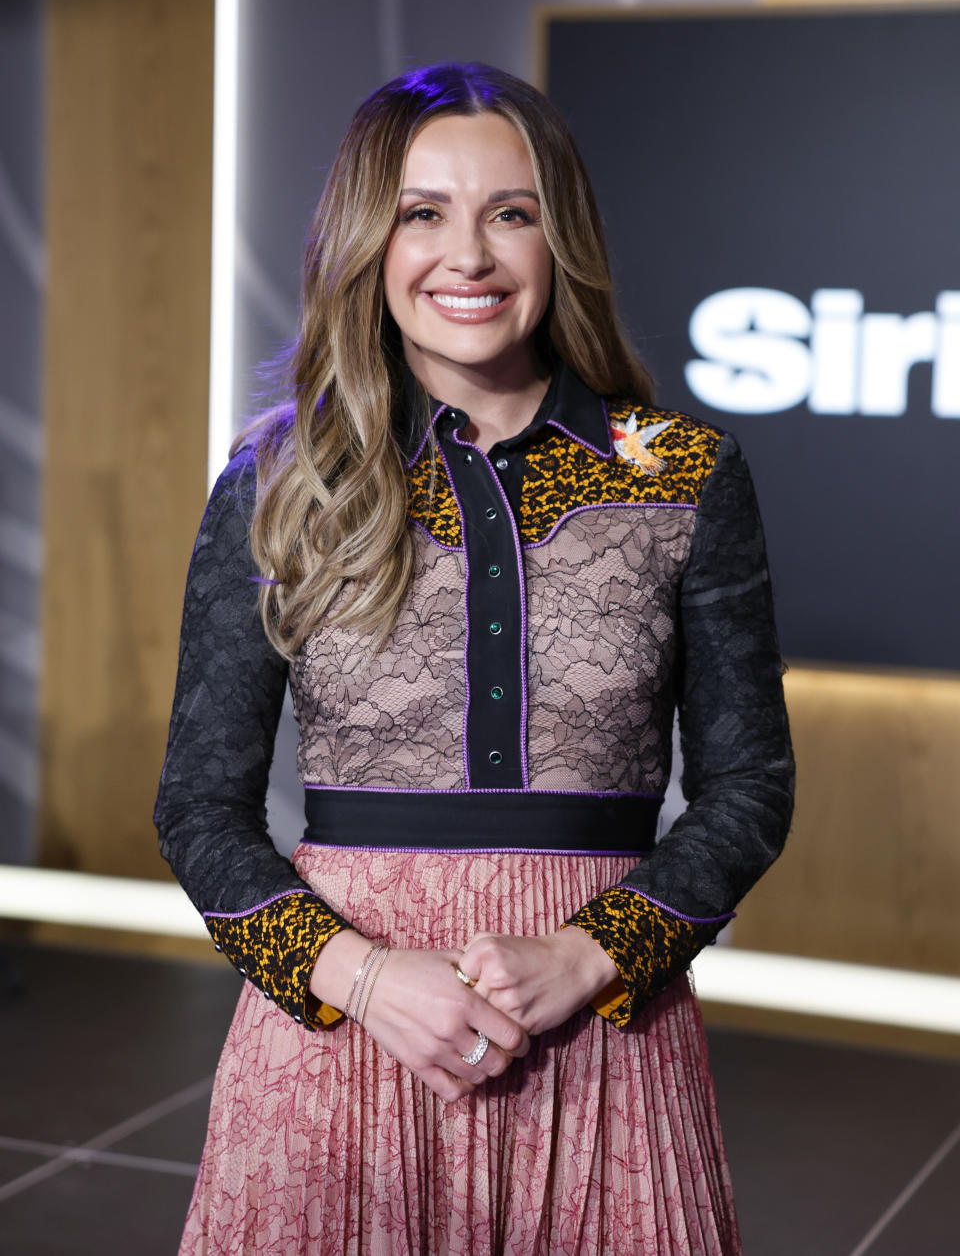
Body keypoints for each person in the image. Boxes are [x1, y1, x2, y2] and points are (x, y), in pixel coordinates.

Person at [155, 61, 794, 1256]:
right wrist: (365, 978)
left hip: (601, 1023)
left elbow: (752, 787)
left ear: (561, 239)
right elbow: (197, 805)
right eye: (421, 212)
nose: (470, 256)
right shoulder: (276, 481)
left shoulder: (683, 471)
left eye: (511, 212)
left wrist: (593, 953)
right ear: (366, 238)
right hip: (346, 1028)